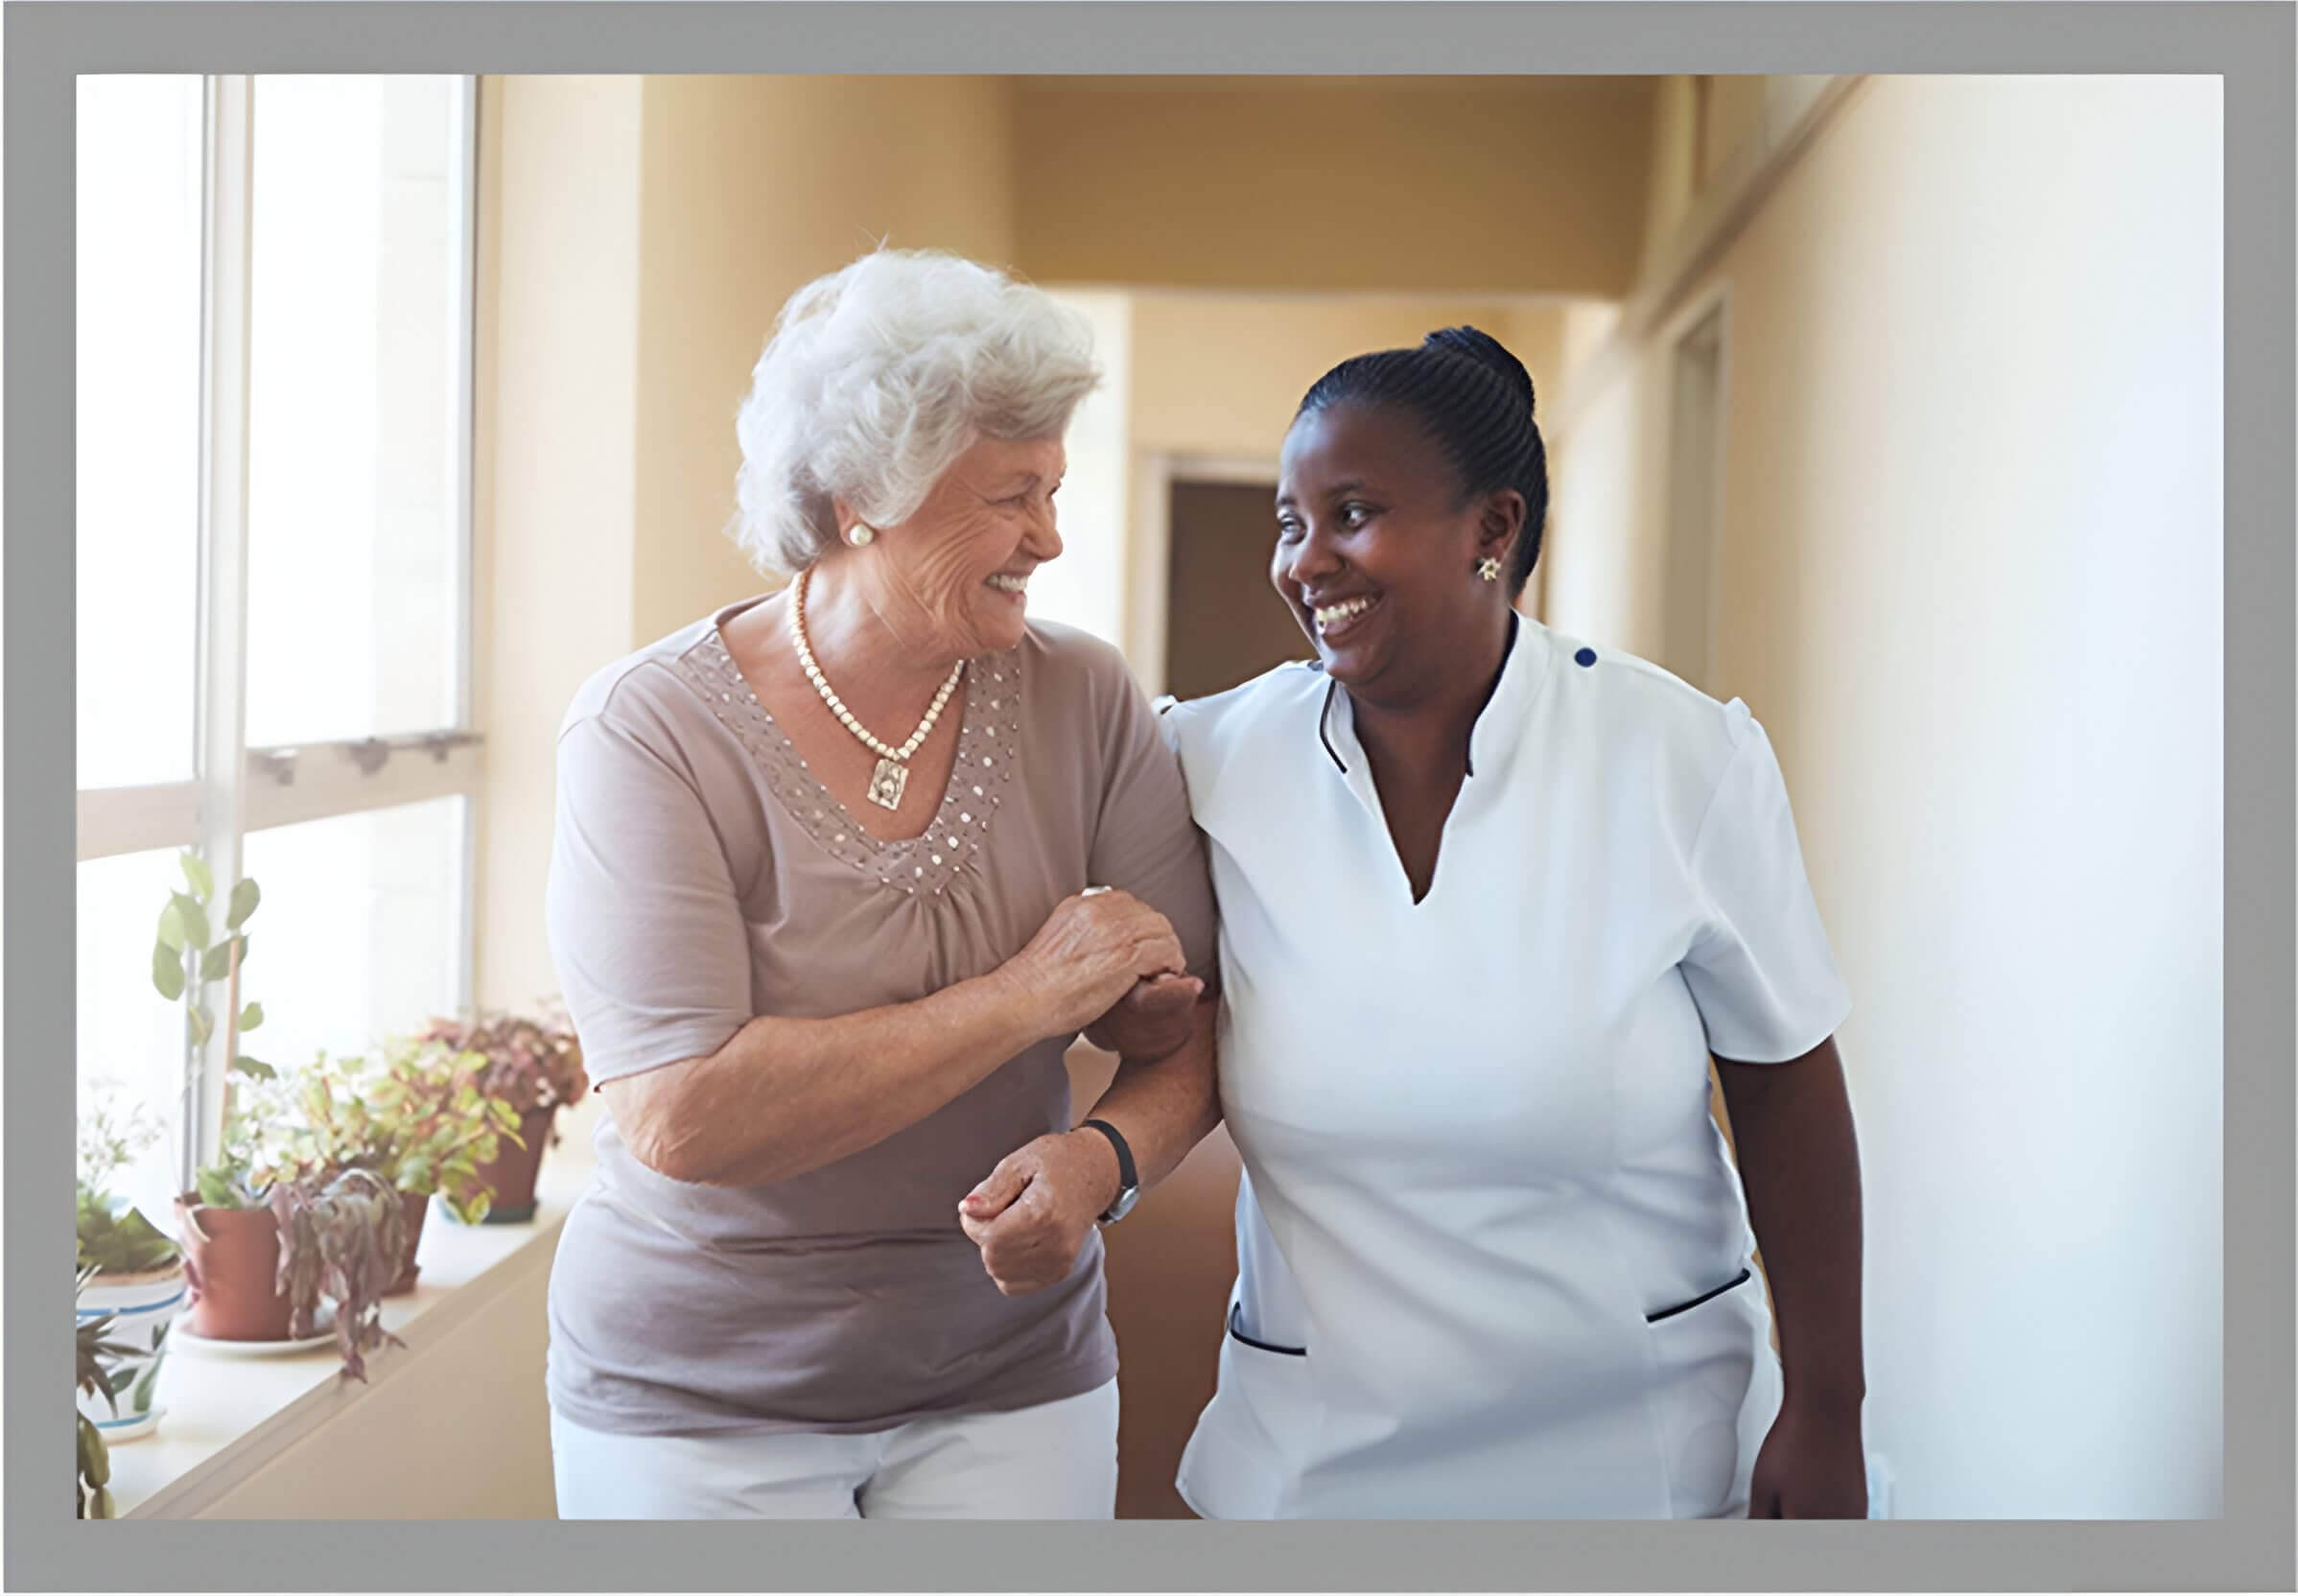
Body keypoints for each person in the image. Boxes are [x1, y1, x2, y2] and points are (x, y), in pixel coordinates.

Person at [541, 249, 1220, 1520]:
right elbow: (686, 1119)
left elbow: (1194, 1032)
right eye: (1013, 495)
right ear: (862, 495)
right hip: (698, 1400)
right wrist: (1030, 997)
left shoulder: (1085, 696)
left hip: (1013, 1373)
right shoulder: (649, 730)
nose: (1051, 538)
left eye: (1055, 489)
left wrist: (1100, 1164)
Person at [1162, 326, 1868, 1519]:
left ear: (1493, 531)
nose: (1304, 560)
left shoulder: (1676, 756)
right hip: (1320, 1447)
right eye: (1289, 521)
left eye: (1350, 512)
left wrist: (1828, 1403)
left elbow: (1786, 1081)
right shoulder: (1204, 759)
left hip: (1636, 1442)